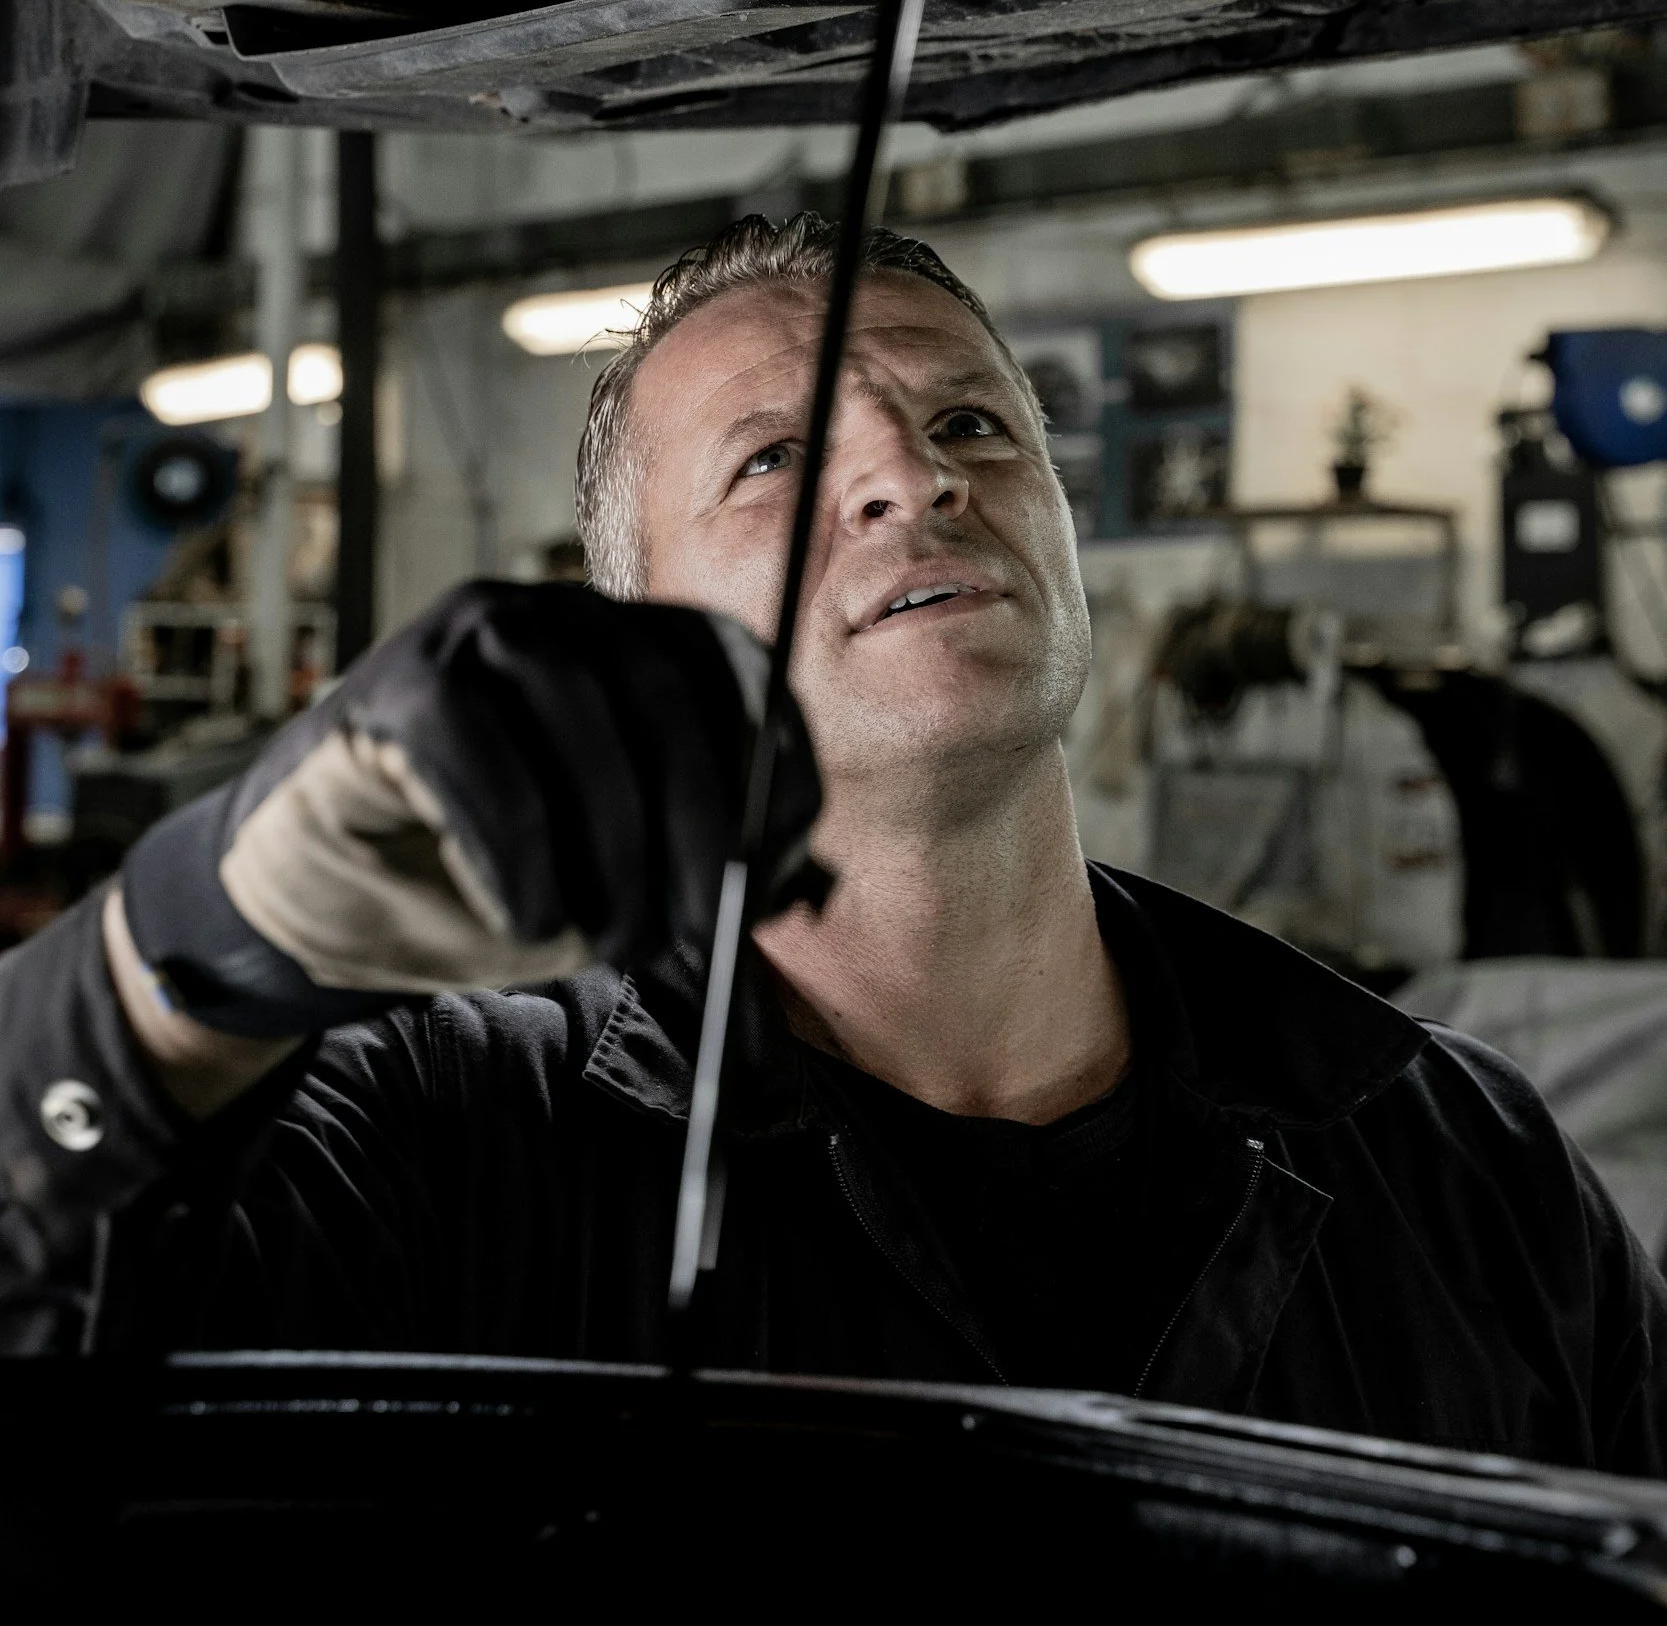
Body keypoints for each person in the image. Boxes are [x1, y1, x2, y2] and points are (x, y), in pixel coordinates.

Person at [0, 213, 1661, 1474]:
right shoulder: (451, 1142)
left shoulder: (1454, 1160)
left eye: (973, 429)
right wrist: (201, 933)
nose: (910, 481)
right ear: (638, 616)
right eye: (777, 458)